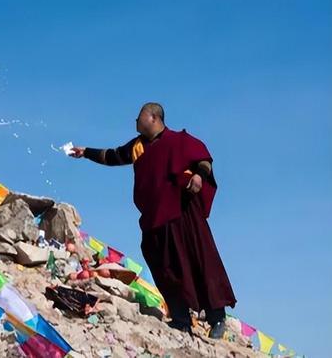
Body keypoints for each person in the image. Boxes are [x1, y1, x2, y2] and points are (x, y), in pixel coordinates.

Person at [70, 102, 236, 338]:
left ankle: (217, 318)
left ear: (154, 118)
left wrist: (199, 176)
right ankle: (180, 319)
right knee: (164, 267)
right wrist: (86, 152)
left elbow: (203, 159)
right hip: (154, 218)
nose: (135, 122)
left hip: (182, 214)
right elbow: (112, 156)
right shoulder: (138, 146)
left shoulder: (179, 140)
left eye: (139, 117)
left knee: (199, 261)